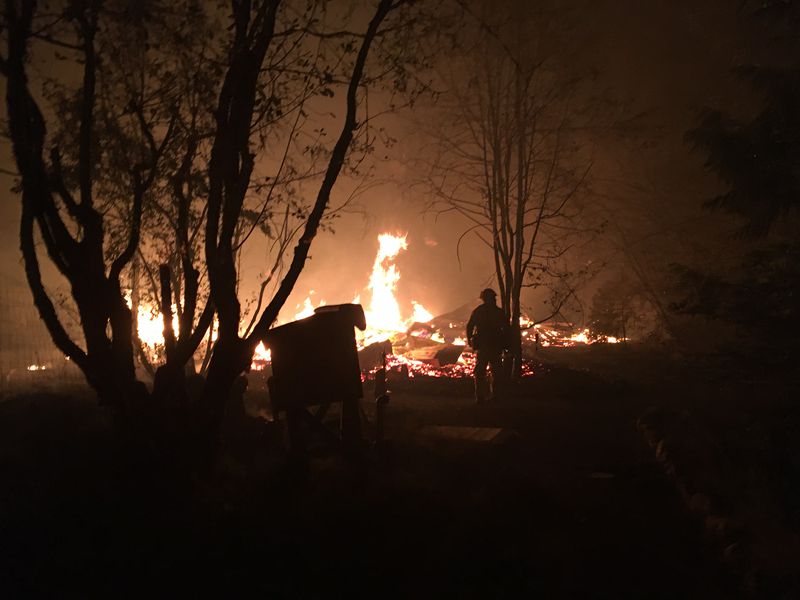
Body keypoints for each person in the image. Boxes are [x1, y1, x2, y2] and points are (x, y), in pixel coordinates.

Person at [466, 288, 508, 404]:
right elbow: (506, 329)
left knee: (481, 373)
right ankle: (494, 396)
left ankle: (481, 397)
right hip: (494, 346)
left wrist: (470, 339)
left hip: (486, 346)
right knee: (495, 372)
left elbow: (470, 326)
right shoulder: (498, 312)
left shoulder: (479, 311)